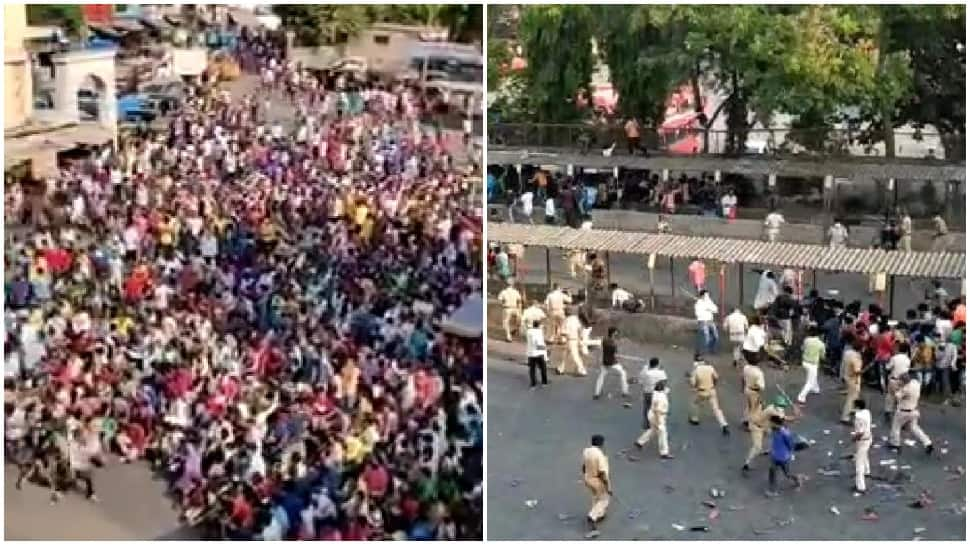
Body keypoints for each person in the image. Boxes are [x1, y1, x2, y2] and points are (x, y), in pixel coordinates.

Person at [888, 371, 934, 455]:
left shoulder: (906, 389)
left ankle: (895, 444)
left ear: (903, 381)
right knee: (915, 428)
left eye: (900, 380)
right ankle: (928, 443)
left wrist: (894, 387)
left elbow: (896, 396)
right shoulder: (915, 383)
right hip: (914, 410)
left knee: (896, 426)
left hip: (903, 411)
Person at [743, 396, 790, 473]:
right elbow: (784, 419)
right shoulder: (771, 410)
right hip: (756, 427)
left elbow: (781, 420)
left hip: (765, 426)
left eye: (782, 406)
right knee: (757, 447)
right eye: (780, 406)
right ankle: (747, 463)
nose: (781, 407)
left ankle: (766, 450)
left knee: (773, 434)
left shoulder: (778, 410)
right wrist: (796, 416)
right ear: (776, 405)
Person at [688, 356, 729, 435]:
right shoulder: (710, 368)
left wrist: (693, 385)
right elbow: (716, 377)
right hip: (711, 390)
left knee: (695, 404)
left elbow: (693, 383)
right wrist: (714, 384)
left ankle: (695, 419)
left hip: (701, 391)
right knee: (716, 409)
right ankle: (724, 424)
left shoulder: (696, 370)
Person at [582, 435, 612, 537]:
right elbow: (602, 472)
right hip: (596, 479)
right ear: (601, 443)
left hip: (587, 477)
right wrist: (608, 487)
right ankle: (592, 516)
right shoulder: (599, 456)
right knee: (604, 499)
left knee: (596, 496)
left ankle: (600, 514)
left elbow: (584, 466)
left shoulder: (586, 451)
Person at [635, 381, 672, 459]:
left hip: (651, 414)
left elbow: (666, 391)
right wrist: (659, 422)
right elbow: (658, 410)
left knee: (653, 430)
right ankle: (664, 452)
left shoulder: (655, 393)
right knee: (662, 434)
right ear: (662, 389)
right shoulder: (661, 398)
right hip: (658, 416)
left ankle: (640, 442)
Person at [765, 415, 801, 497]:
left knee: (787, 474)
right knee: (772, 472)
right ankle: (773, 490)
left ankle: (796, 478)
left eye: (771, 423)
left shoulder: (785, 433)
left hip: (783, 457)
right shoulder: (774, 430)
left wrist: (791, 454)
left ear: (775, 423)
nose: (769, 424)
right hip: (775, 456)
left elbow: (791, 445)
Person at [593, 327, 630, 403]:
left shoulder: (604, 340)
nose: (617, 334)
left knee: (601, 377)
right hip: (613, 363)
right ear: (613, 333)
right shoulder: (613, 343)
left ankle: (596, 393)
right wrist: (624, 363)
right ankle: (625, 392)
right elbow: (616, 354)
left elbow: (602, 350)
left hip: (605, 362)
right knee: (623, 373)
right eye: (616, 332)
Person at [797, 327, 826, 404]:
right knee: (810, 381)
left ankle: (815, 388)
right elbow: (823, 356)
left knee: (813, 376)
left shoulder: (806, 340)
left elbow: (802, 348)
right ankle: (801, 397)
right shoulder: (821, 344)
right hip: (813, 364)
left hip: (804, 362)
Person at [637, 357, 667, 431]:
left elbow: (640, 381)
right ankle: (656, 424)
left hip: (647, 392)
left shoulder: (646, 372)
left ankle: (646, 423)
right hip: (657, 394)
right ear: (657, 364)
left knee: (646, 408)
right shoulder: (661, 373)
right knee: (657, 410)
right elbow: (664, 382)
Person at [850, 398, 872, 494]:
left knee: (859, 464)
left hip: (862, 440)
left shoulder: (859, 417)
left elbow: (860, 432)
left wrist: (854, 438)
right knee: (864, 455)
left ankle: (860, 486)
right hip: (869, 438)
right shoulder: (867, 412)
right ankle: (867, 470)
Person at [840, 340, 865, 424]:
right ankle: (845, 417)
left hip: (846, 375)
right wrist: (864, 370)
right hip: (853, 379)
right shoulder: (856, 357)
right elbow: (857, 371)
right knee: (851, 398)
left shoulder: (847, 353)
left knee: (855, 395)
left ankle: (853, 410)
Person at [557, 307, 587, 376]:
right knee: (565, 355)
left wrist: (560, 335)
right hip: (575, 339)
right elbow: (580, 328)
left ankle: (582, 370)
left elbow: (564, 331)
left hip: (570, 339)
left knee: (575, 355)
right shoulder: (576, 319)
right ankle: (560, 368)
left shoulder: (566, 321)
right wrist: (581, 337)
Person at [741, 358, 765, 428]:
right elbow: (761, 387)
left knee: (749, 405)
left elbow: (742, 378)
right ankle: (750, 424)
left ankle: (745, 419)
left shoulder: (746, 368)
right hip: (754, 392)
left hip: (747, 389)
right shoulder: (759, 373)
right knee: (754, 409)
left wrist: (742, 387)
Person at [525, 320, 549, 389]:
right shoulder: (539, 332)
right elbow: (538, 343)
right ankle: (544, 382)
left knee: (532, 369)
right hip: (539, 353)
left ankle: (533, 384)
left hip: (530, 353)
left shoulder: (529, 331)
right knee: (543, 368)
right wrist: (545, 349)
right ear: (538, 326)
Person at [694, 290, 719, 354]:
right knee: (706, 337)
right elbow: (698, 314)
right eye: (706, 295)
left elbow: (716, 310)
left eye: (708, 295)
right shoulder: (698, 304)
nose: (708, 296)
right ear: (702, 296)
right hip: (703, 322)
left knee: (716, 336)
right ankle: (704, 351)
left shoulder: (709, 302)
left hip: (710, 321)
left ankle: (711, 349)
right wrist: (705, 308)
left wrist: (708, 308)